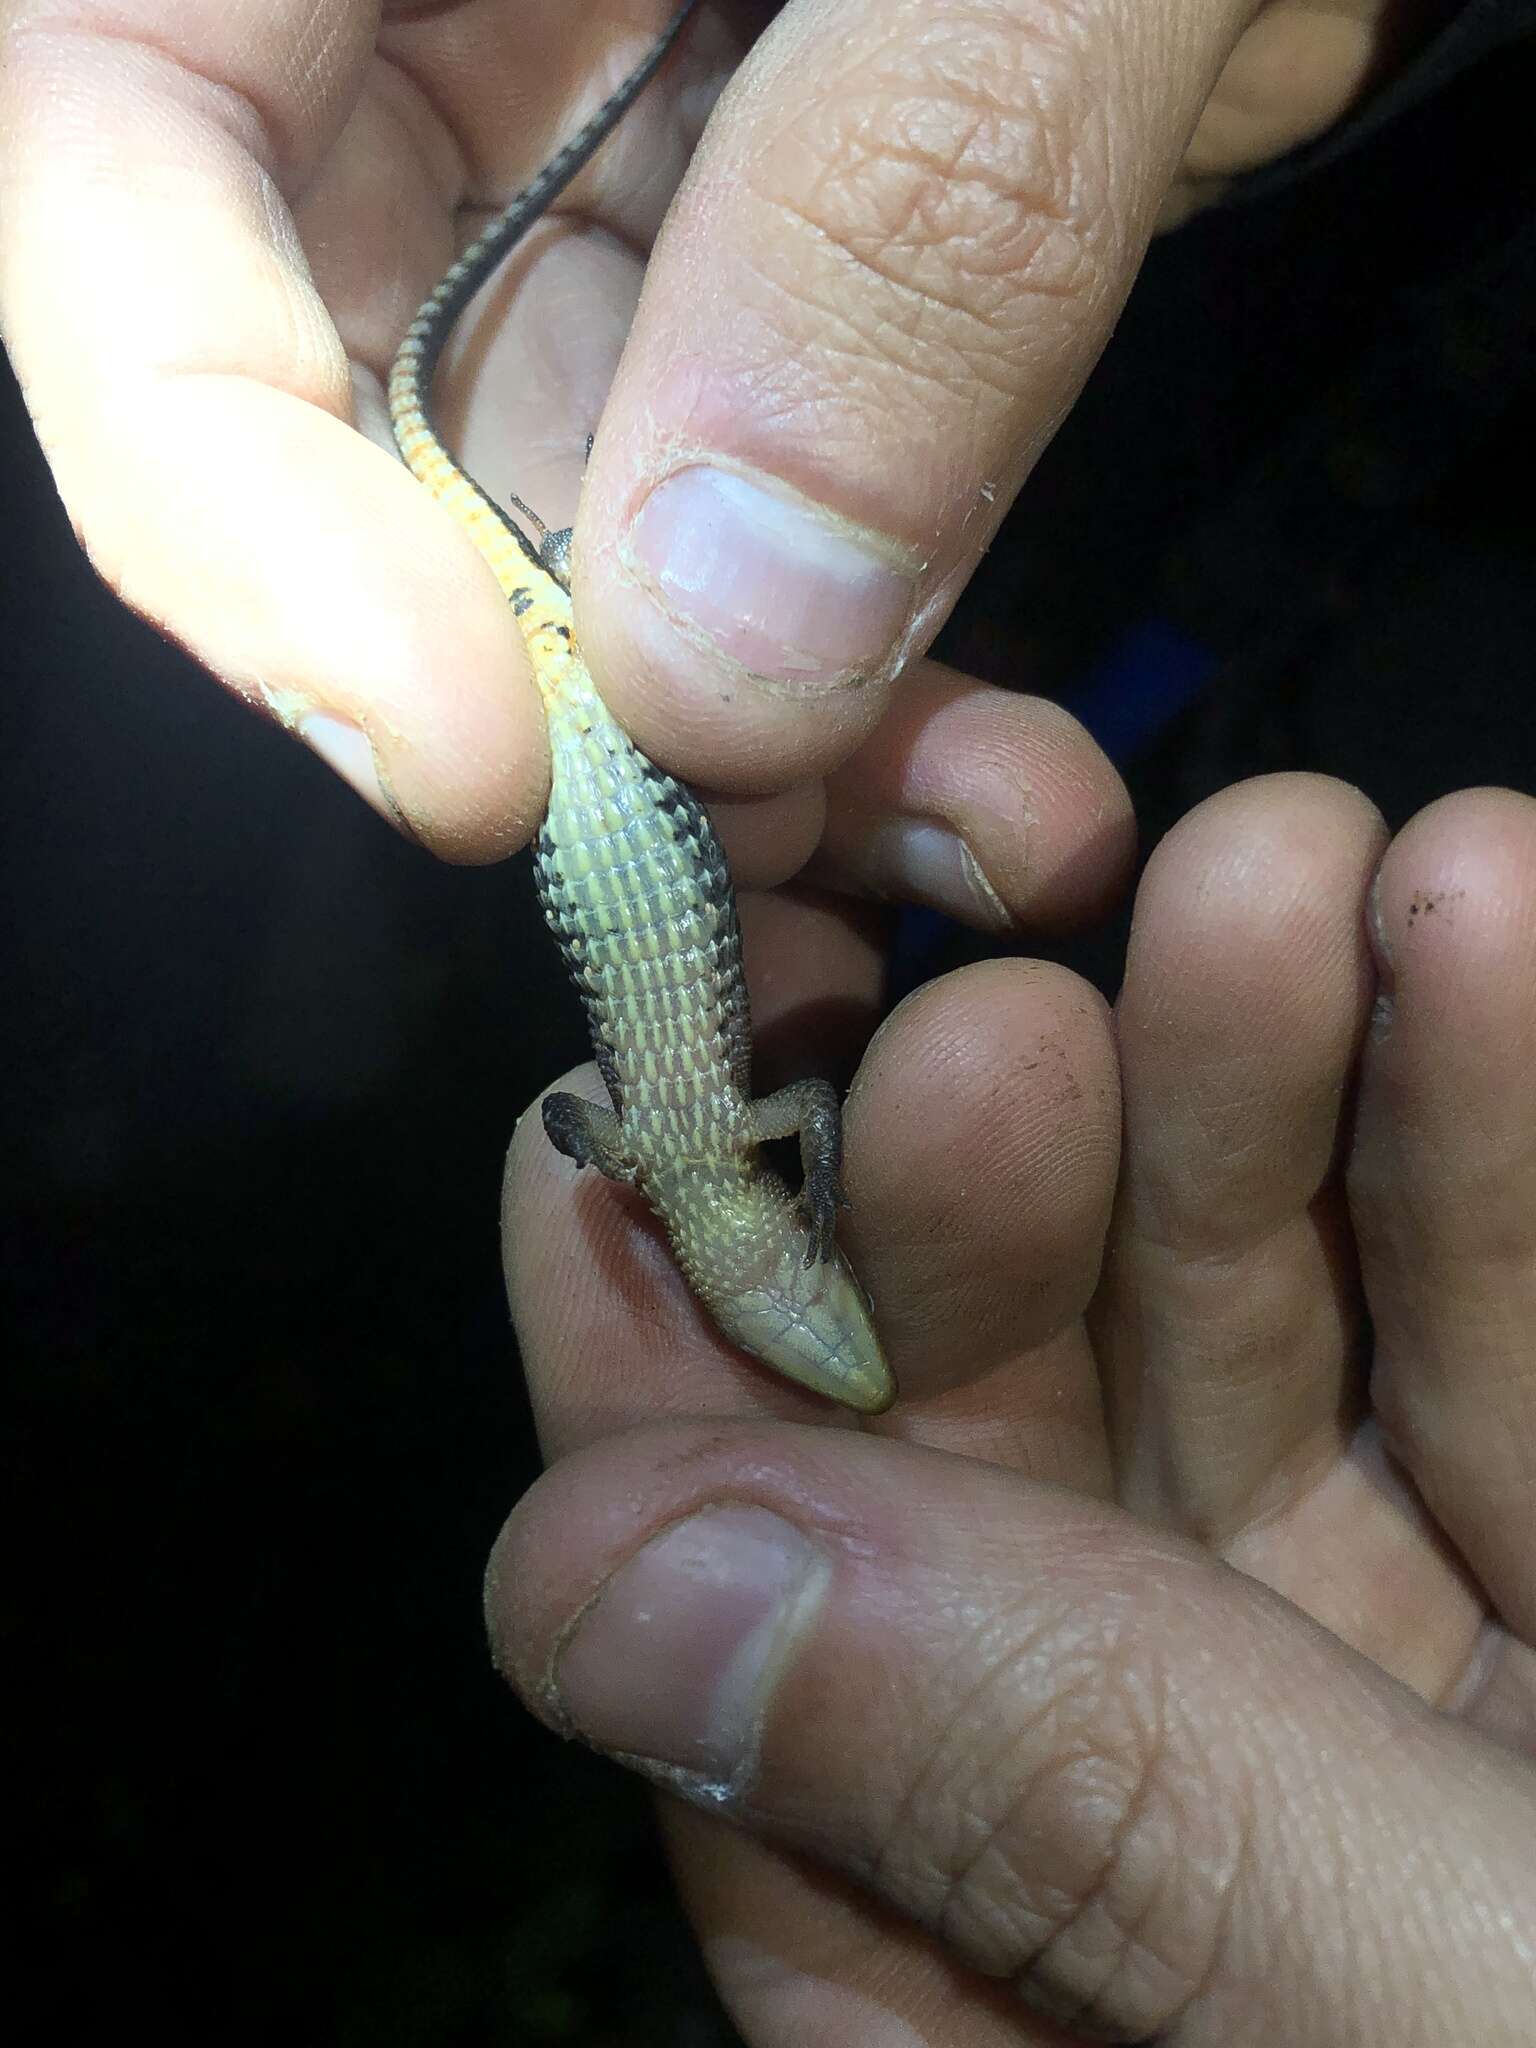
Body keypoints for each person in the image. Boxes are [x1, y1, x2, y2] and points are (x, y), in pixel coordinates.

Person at [3, 2, 1532, 2039]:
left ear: (757, 1275)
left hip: (582, 742)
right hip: (601, 731)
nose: (816, 1304)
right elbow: (612, 1142)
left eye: (801, 1312)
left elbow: (600, 1136)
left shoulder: (680, 1153)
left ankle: (524, 478)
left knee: (541, 604)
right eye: (813, 1302)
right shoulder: (687, 1154)